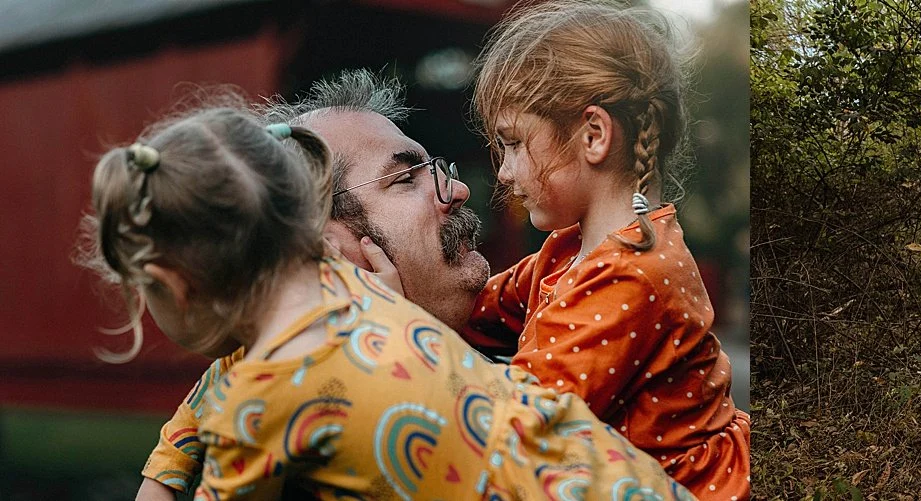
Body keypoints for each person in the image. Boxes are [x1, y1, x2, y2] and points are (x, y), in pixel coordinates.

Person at [87, 105, 687, 499]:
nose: (457, 188)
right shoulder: (349, 304)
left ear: (172, 284)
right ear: (322, 240)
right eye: (406, 178)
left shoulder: (263, 403)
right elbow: (206, 400)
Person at [460, 2, 749, 498]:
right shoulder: (568, 250)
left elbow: (517, 422)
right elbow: (472, 312)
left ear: (593, 135)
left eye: (512, 143)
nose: (503, 173)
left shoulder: (634, 272)